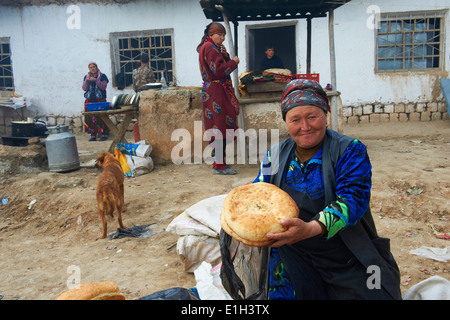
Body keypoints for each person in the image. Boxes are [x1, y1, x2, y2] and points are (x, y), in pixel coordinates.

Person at [254, 79, 402, 300]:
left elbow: (352, 200)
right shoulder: (273, 154)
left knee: (378, 293)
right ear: (286, 122)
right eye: (295, 119)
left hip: (344, 251)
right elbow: (261, 192)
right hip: (292, 250)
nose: (305, 127)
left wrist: (310, 228)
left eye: (312, 116)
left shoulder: (350, 150)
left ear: (326, 114)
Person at [197, 22, 240, 175]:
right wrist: (234, 62)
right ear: (211, 34)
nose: (222, 38)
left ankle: (219, 160)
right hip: (216, 91)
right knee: (220, 127)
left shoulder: (208, 47)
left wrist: (225, 55)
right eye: (219, 35)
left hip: (212, 91)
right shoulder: (209, 48)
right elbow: (220, 71)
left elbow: (218, 66)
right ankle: (218, 166)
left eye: (223, 35)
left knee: (217, 126)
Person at [82, 62, 109, 141]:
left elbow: (103, 87)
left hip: (100, 99)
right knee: (90, 117)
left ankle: (104, 134)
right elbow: (84, 88)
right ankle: (93, 134)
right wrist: (87, 81)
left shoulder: (102, 76)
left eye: (94, 67)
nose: (92, 68)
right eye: (90, 67)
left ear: (97, 67)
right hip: (89, 100)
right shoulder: (86, 77)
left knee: (102, 117)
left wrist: (96, 81)